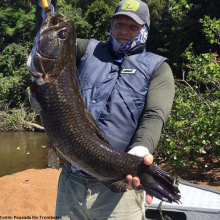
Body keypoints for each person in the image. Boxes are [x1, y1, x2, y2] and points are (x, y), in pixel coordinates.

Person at [36, 0, 175, 219]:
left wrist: (141, 148)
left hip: (118, 193)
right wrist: (43, 8)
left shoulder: (158, 67)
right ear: (111, 25)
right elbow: (50, 43)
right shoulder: (87, 50)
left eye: (132, 27)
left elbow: (154, 115)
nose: (123, 31)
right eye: (119, 24)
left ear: (145, 29)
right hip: (71, 184)